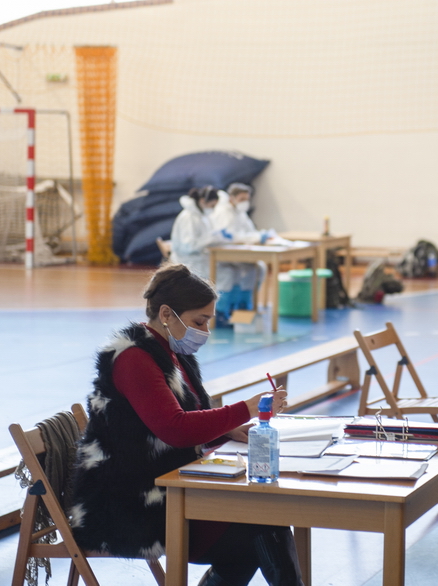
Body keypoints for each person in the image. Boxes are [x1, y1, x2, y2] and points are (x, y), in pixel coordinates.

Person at [68, 264, 303, 586]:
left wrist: (227, 429)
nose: (205, 331)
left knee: (262, 521)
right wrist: (245, 410)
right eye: (199, 321)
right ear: (166, 313)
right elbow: (174, 428)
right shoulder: (134, 358)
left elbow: (176, 418)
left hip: (169, 483)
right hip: (133, 502)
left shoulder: (168, 350)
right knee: (261, 525)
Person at [211, 183, 271, 326]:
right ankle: (222, 312)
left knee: (258, 268)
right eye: (242, 198)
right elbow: (230, 236)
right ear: (232, 198)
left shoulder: (240, 213)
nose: (245, 202)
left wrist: (259, 236)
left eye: (247, 199)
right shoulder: (224, 212)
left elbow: (249, 231)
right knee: (232, 274)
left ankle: (243, 306)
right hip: (223, 256)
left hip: (238, 254)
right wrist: (254, 239)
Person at [169, 185, 232, 280]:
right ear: (202, 201)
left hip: (199, 259)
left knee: (232, 269)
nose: (213, 209)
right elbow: (188, 247)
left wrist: (218, 237)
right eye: (212, 206)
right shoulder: (188, 217)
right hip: (188, 261)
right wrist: (211, 239)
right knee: (227, 274)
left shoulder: (202, 216)